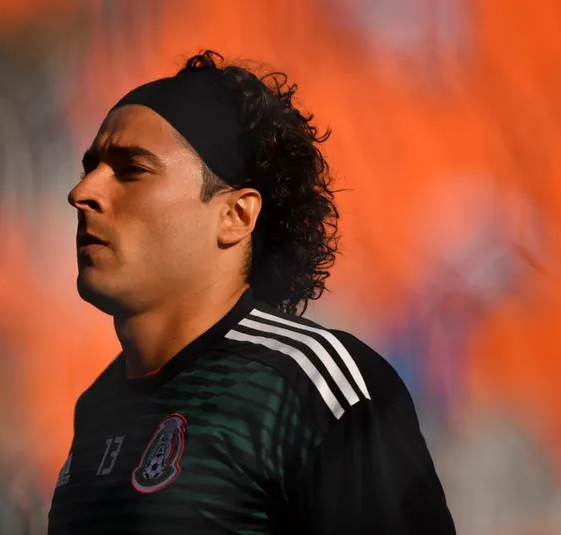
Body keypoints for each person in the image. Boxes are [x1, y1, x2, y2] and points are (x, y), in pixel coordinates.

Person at [48, 50, 456, 535]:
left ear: (235, 216)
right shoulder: (98, 407)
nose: (82, 192)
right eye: (90, 168)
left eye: (131, 169)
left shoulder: (308, 386)